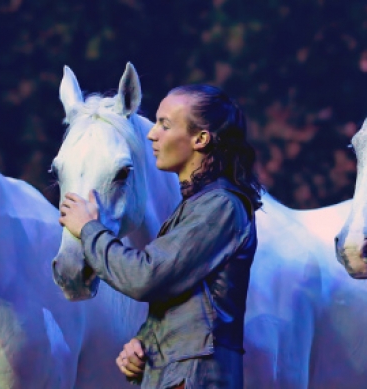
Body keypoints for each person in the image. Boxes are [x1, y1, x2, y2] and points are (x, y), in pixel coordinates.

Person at [59, 84, 262, 389]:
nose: (152, 134)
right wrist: (143, 346)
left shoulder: (220, 206)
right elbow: (184, 303)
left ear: (201, 139)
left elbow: (147, 276)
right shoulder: (198, 206)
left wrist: (89, 229)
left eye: (165, 125)